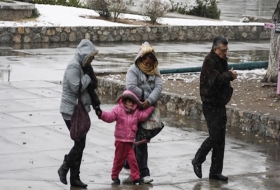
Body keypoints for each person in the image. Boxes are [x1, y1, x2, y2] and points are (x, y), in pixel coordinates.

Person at [191, 35, 238, 181]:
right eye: (223, 50)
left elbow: (222, 79)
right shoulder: (209, 61)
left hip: (220, 103)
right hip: (210, 103)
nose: (225, 53)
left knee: (220, 139)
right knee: (214, 136)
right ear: (215, 48)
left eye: (226, 50)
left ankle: (215, 172)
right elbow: (216, 80)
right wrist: (230, 75)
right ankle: (198, 159)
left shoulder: (221, 60)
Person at [58, 39, 100, 188]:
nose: (92, 60)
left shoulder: (82, 66)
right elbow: (77, 87)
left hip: (78, 110)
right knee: (79, 143)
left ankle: (74, 178)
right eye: (90, 57)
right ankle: (64, 167)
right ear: (84, 55)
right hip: (70, 111)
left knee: (80, 144)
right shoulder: (73, 66)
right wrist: (88, 76)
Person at [95, 90, 154, 184]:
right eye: (128, 101)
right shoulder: (118, 110)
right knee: (119, 160)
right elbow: (109, 117)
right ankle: (114, 175)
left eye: (132, 102)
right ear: (124, 101)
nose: (130, 104)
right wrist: (101, 114)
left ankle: (136, 177)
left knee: (133, 160)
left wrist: (151, 107)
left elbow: (144, 115)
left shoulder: (136, 113)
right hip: (120, 141)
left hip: (130, 142)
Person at [124, 42, 163, 183]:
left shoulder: (156, 71)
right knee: (139, 141)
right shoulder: (133, 70)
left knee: (140, 139)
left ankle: (129, 163)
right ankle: (143, 172)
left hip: (148, 109)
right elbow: (131, 86)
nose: (148, 65)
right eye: (145, 62)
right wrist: (145, 96)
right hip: (133, 110)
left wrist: (149, 100)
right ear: (140, 59)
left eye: (150, 62)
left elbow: (158, 87)